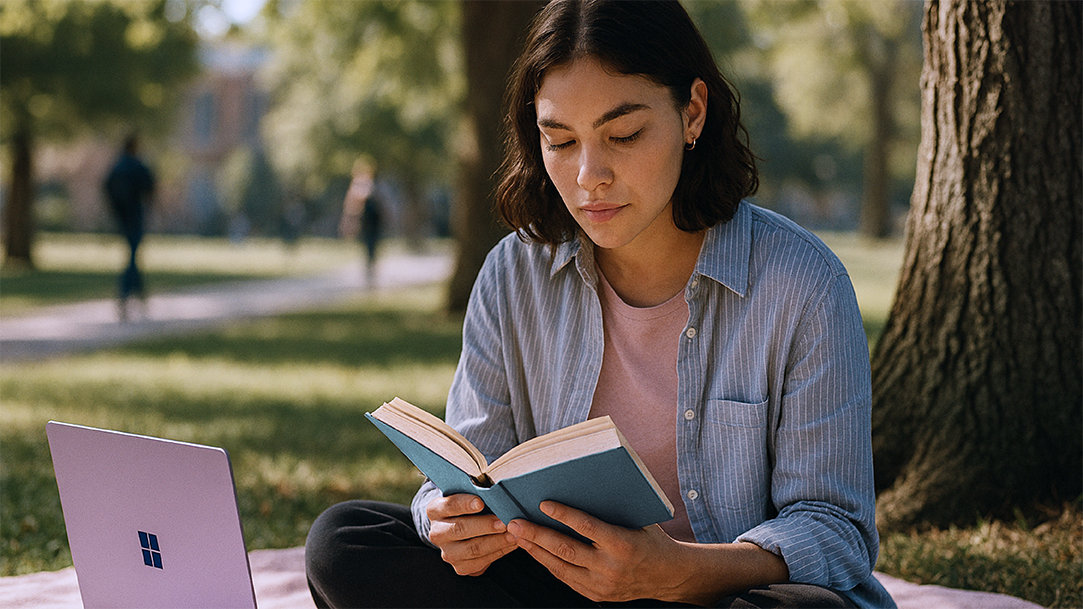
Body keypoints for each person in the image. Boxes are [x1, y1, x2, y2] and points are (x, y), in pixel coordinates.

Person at [305, 1, 895, 607]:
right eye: (559, 140)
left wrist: (680, 573)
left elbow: (836, 529)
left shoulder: (802, 283)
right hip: (560, 586)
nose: (590, 175)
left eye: (624, 134)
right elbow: (466, 469)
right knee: (345, 542)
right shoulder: (514, 275)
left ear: (692, 112)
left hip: (719, 595)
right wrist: (448, 519)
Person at [103, 133, 155, 321]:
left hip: (122, 217)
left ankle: (139, 296)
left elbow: (106, 186)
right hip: (135, 216)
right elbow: (150, 187)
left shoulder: (117, 167)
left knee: (133, 254)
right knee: (133, 256)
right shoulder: (136, 166)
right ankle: (127, 295)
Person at [339, 157, 385, 285]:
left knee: (371, 248)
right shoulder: (360, 187)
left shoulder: (372, 187)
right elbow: (351, 207)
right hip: (367, 223)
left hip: (373, 223)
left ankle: (371, 272)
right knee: (369, 248)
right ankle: (369, 272)